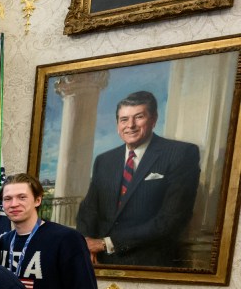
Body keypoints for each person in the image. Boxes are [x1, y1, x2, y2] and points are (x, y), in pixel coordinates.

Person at [75, 90, 200, 267]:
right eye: (124, 119)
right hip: (99, 262)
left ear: (153, 119)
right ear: (117, 124)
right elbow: (89, 209)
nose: (131, 125)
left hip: (150, 263)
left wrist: (105, 244)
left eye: (139, 117)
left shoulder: (181, 154)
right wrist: (86, 242)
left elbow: (171, 219)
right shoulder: (104, 160)